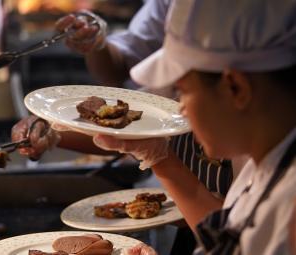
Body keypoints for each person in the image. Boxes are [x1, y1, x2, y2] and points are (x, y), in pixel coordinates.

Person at [91, 0, 296, 253]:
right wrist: (159, 157)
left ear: (236, 88)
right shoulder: (266, 165)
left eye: (183, 91)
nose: (182, 108)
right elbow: (231, 243)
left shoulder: (290, 205)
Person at [13, 0, 234, 199]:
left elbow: (217, 230)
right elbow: (139, 118)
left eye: (184, 89)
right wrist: (54, 129)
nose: (181, 107)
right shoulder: (184, 79)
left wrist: (160, 159)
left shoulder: (251, 165)